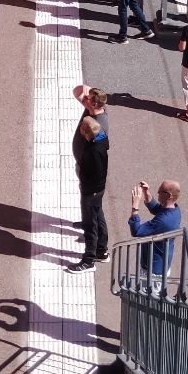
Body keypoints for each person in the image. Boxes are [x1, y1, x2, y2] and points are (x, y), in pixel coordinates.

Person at [71, 88, 111, 269]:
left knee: (91, 224)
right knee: (96, 214)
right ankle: (101, 250)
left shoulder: (94, 152)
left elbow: (94, 173)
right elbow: (78, 91)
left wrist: (84, 181)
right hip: (93, 187)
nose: (84, 102)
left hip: (91, 188)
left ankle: (89, 260)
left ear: (88, 135)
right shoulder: (99, 138)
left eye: (82, 129)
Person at [128, 180, 183, 276]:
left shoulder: (164, 221)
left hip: (153, 271)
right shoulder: (174, 210)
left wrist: (135, 206)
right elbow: (156, 209)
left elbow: (136, 231)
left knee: (149, 291)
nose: (157, 192)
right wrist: (146, 192)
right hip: (161, 264)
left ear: (169, 196)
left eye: (160, 191)